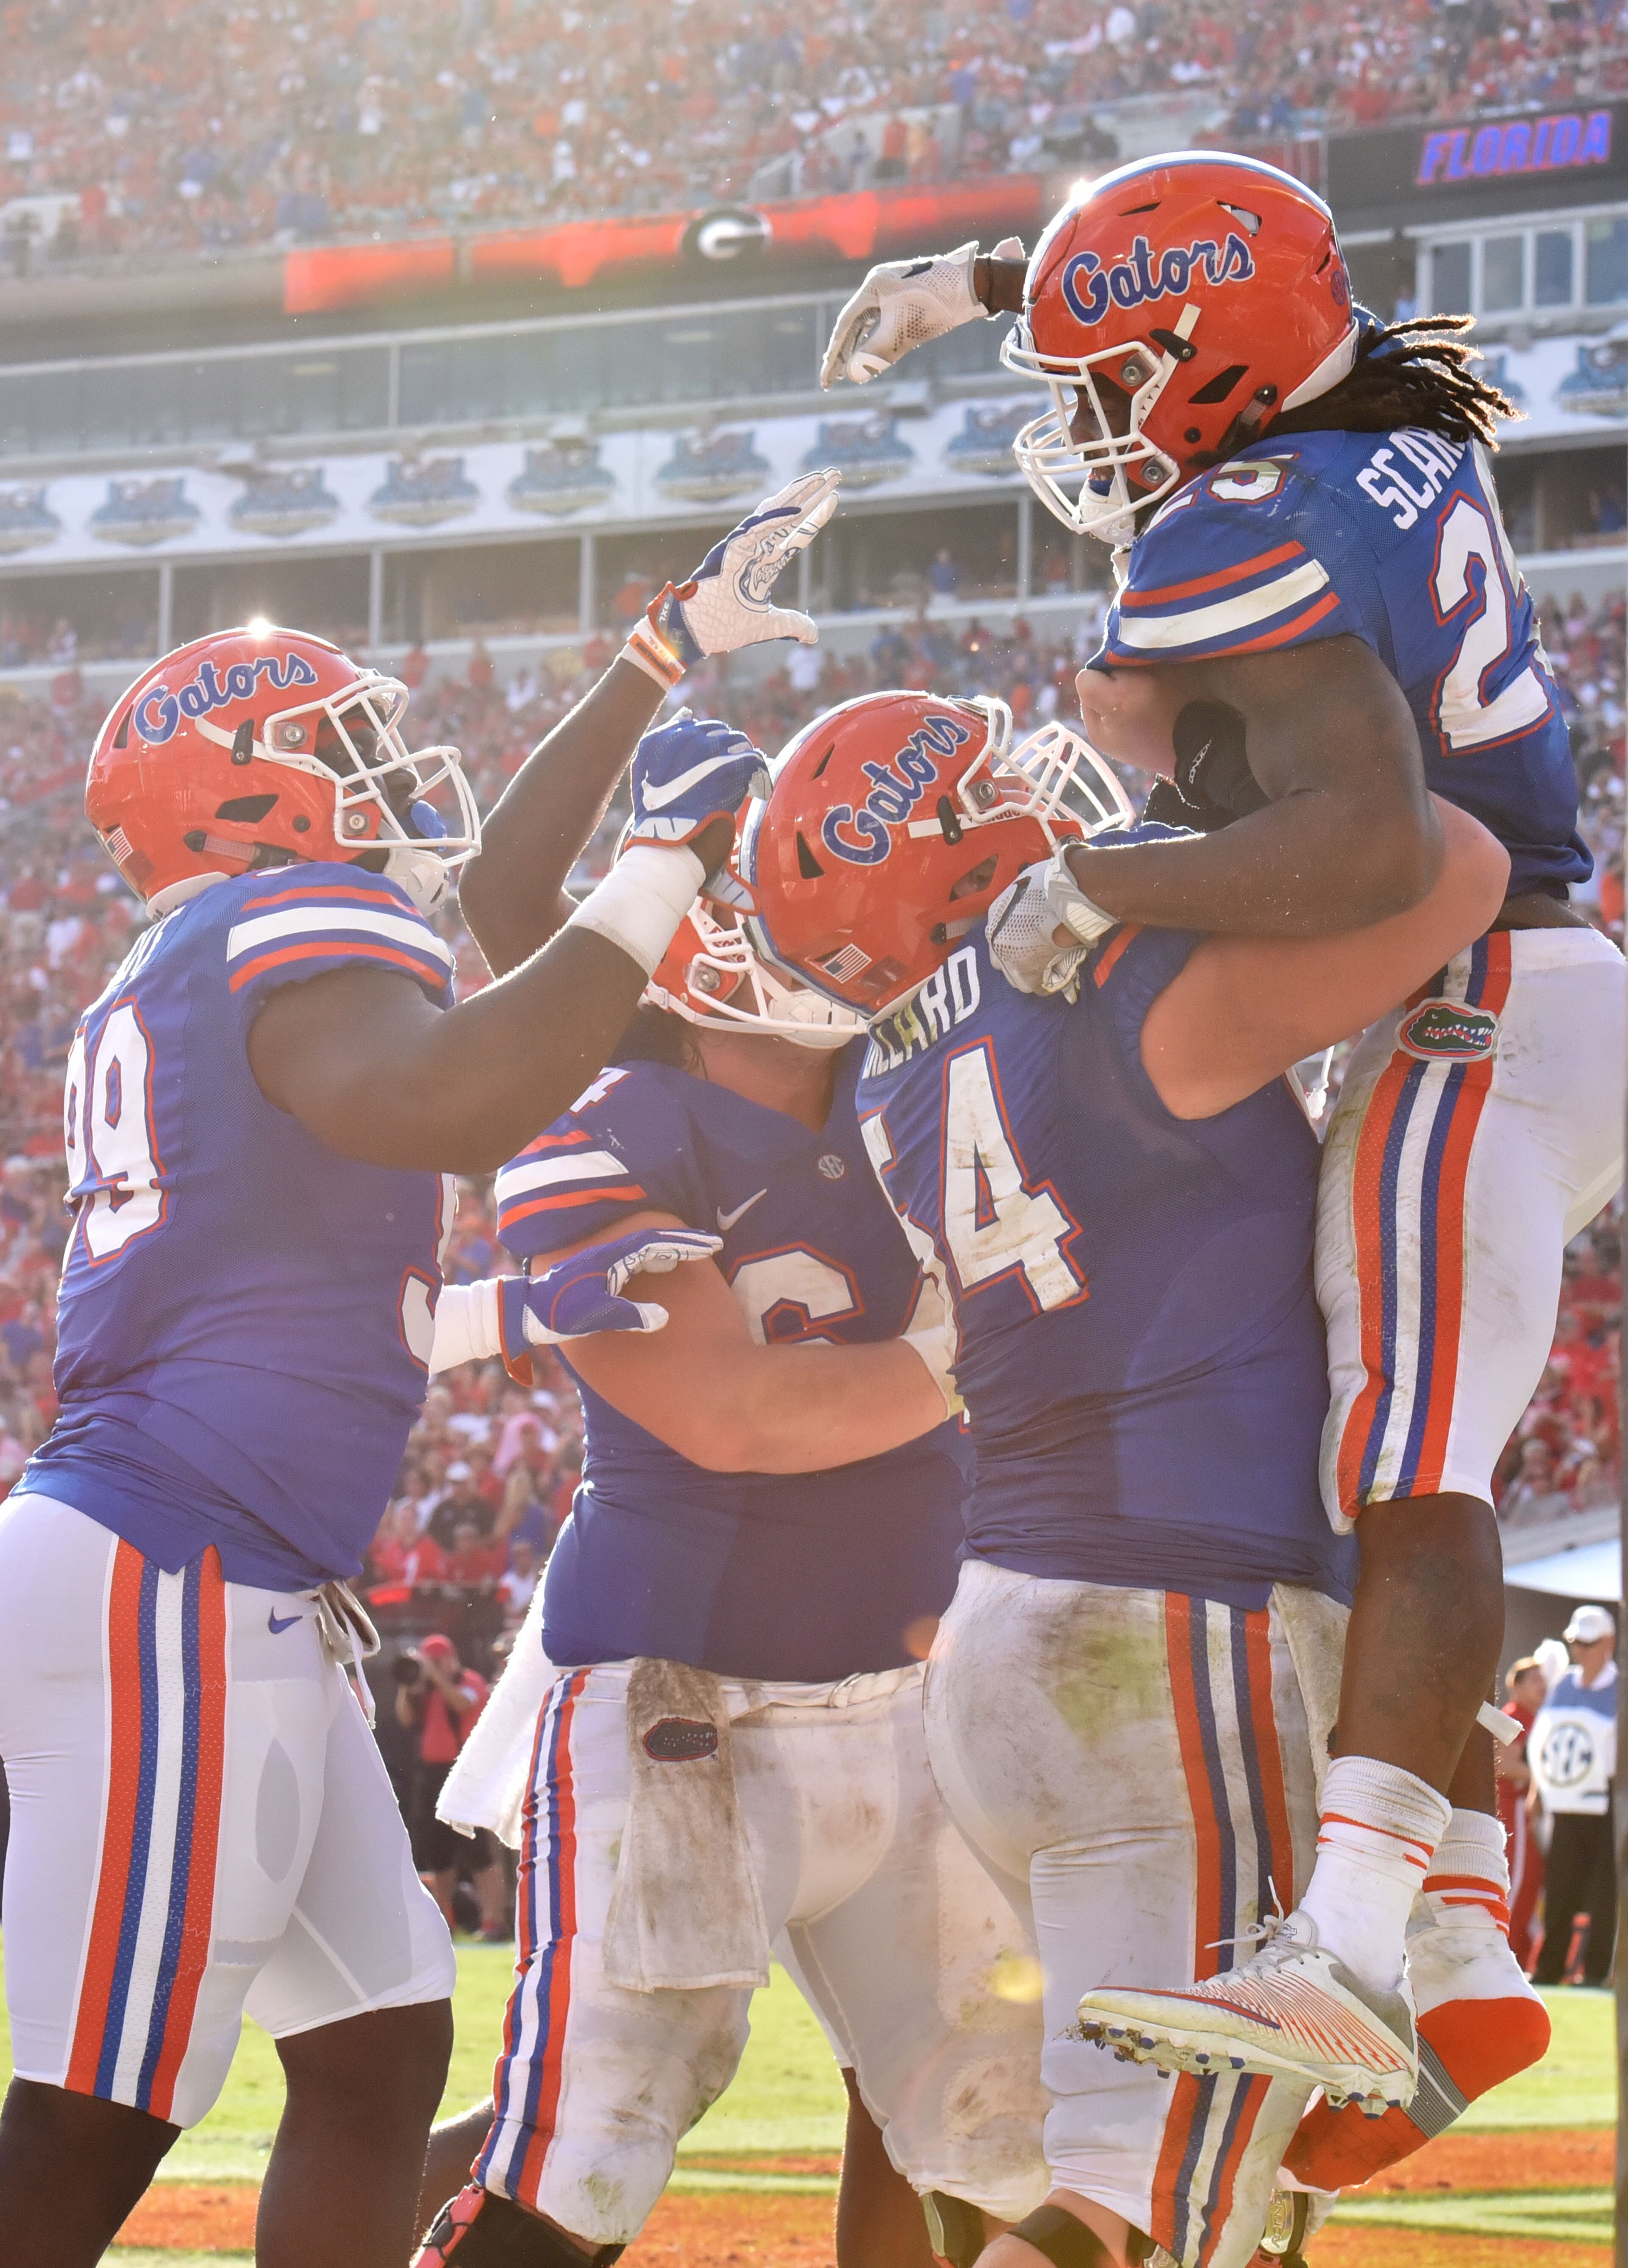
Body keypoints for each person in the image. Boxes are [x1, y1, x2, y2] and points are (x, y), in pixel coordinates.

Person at [818, 153, 1623, 2176]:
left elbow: (1363, 848)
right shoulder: (1362, 442)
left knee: (1402, 1458)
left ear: (1210, 366)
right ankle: (1451, 1939)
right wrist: (996, 274)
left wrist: (1098, 868)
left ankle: (1349, 1941)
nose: (1089, 422)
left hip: (1480, 983)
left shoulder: (1248, 508)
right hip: (1505, 979)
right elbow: (1225, 269)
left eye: (1109, 377)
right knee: (1362, 1438)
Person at [0, 473, 839, 2268]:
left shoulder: (219, 947)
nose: (388, 769)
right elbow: (452, 1088)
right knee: (98, 2105)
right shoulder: (292, 920)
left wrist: (645, 666)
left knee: (381, 2053)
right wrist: (661, 857)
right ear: (252, 793)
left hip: (240, 1570)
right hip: (176, 1557)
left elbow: (489, 986)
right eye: (339, 742)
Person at [743, 685, 1508, 2268]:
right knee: (1149, 2214)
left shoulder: (893, 1079)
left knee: (1170, 2178)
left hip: (1020, 1641)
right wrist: (1143, 882)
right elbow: (1456, 866)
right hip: (1172, 1637)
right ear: (960, 850)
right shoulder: (1114, 981)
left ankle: (1455, 1970)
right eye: (999, 789)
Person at [409, 828, 1048, 2268]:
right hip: (684, 1699)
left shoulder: (930, 1096)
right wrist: (978, 1345)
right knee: (583, 2156)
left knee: (1014, 2141)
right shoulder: (605, 1116)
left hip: (917, 1695)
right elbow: (734, 1415)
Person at [1529, 1604, 1618, 1987]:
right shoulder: (1563, 1684)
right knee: (1560, 1889)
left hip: (1607, 1804)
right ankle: (1550, 1970)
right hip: (1564, 1803)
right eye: (1576, 1643)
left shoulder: (1621, 1687)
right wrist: (1537, 1789)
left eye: (1589, 1642)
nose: (1581, 1650)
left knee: (1604, 1892)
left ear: (1609, 1643)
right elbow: (1545, 1741)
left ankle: (1597, 1973)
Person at [395, 1634, 505, 1940]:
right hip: (432, 1776)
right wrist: (409, 1684)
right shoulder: (425, 1690)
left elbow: (463, 1702)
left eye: (438, 1660)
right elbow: (405, 1718)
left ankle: (493, 1921)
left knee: (479, 1851)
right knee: (438, 1853)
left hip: (467, 1771)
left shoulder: (470, 1681)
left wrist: (436, 1677)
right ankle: (444, 1922)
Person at [1496, 1659, 1547, 1971]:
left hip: (1528, 1810)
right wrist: (1545, 1777)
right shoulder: (1515, 1716)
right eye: (1535, 1680)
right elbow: (1503, 1764)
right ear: (1518, 1685)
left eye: (1544, 1679)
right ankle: (1506, 1952)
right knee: (1517, 1881)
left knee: (1531, 1884)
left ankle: (1522, 1956)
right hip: (1514, 1807)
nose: (1543, 1685)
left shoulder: (1539, 1717)